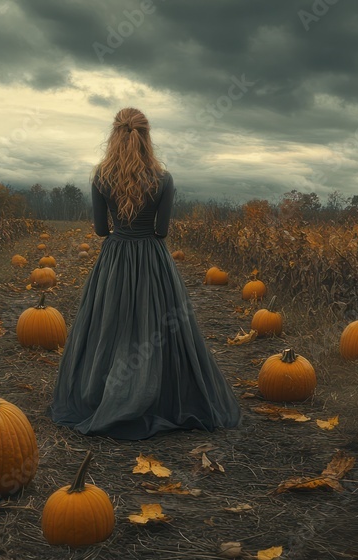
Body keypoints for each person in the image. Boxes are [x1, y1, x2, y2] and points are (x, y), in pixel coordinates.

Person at [50, 107, 242, 440]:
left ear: (114, 135)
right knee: (157, 327)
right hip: (153, 259)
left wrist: (122, 231)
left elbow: (99, 230)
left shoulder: (100, 177)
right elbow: (162, 230)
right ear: (147, 136)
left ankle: (103, 395)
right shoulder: (163, 179)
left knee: (110, 324)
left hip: (115, 258)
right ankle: (154, 393)